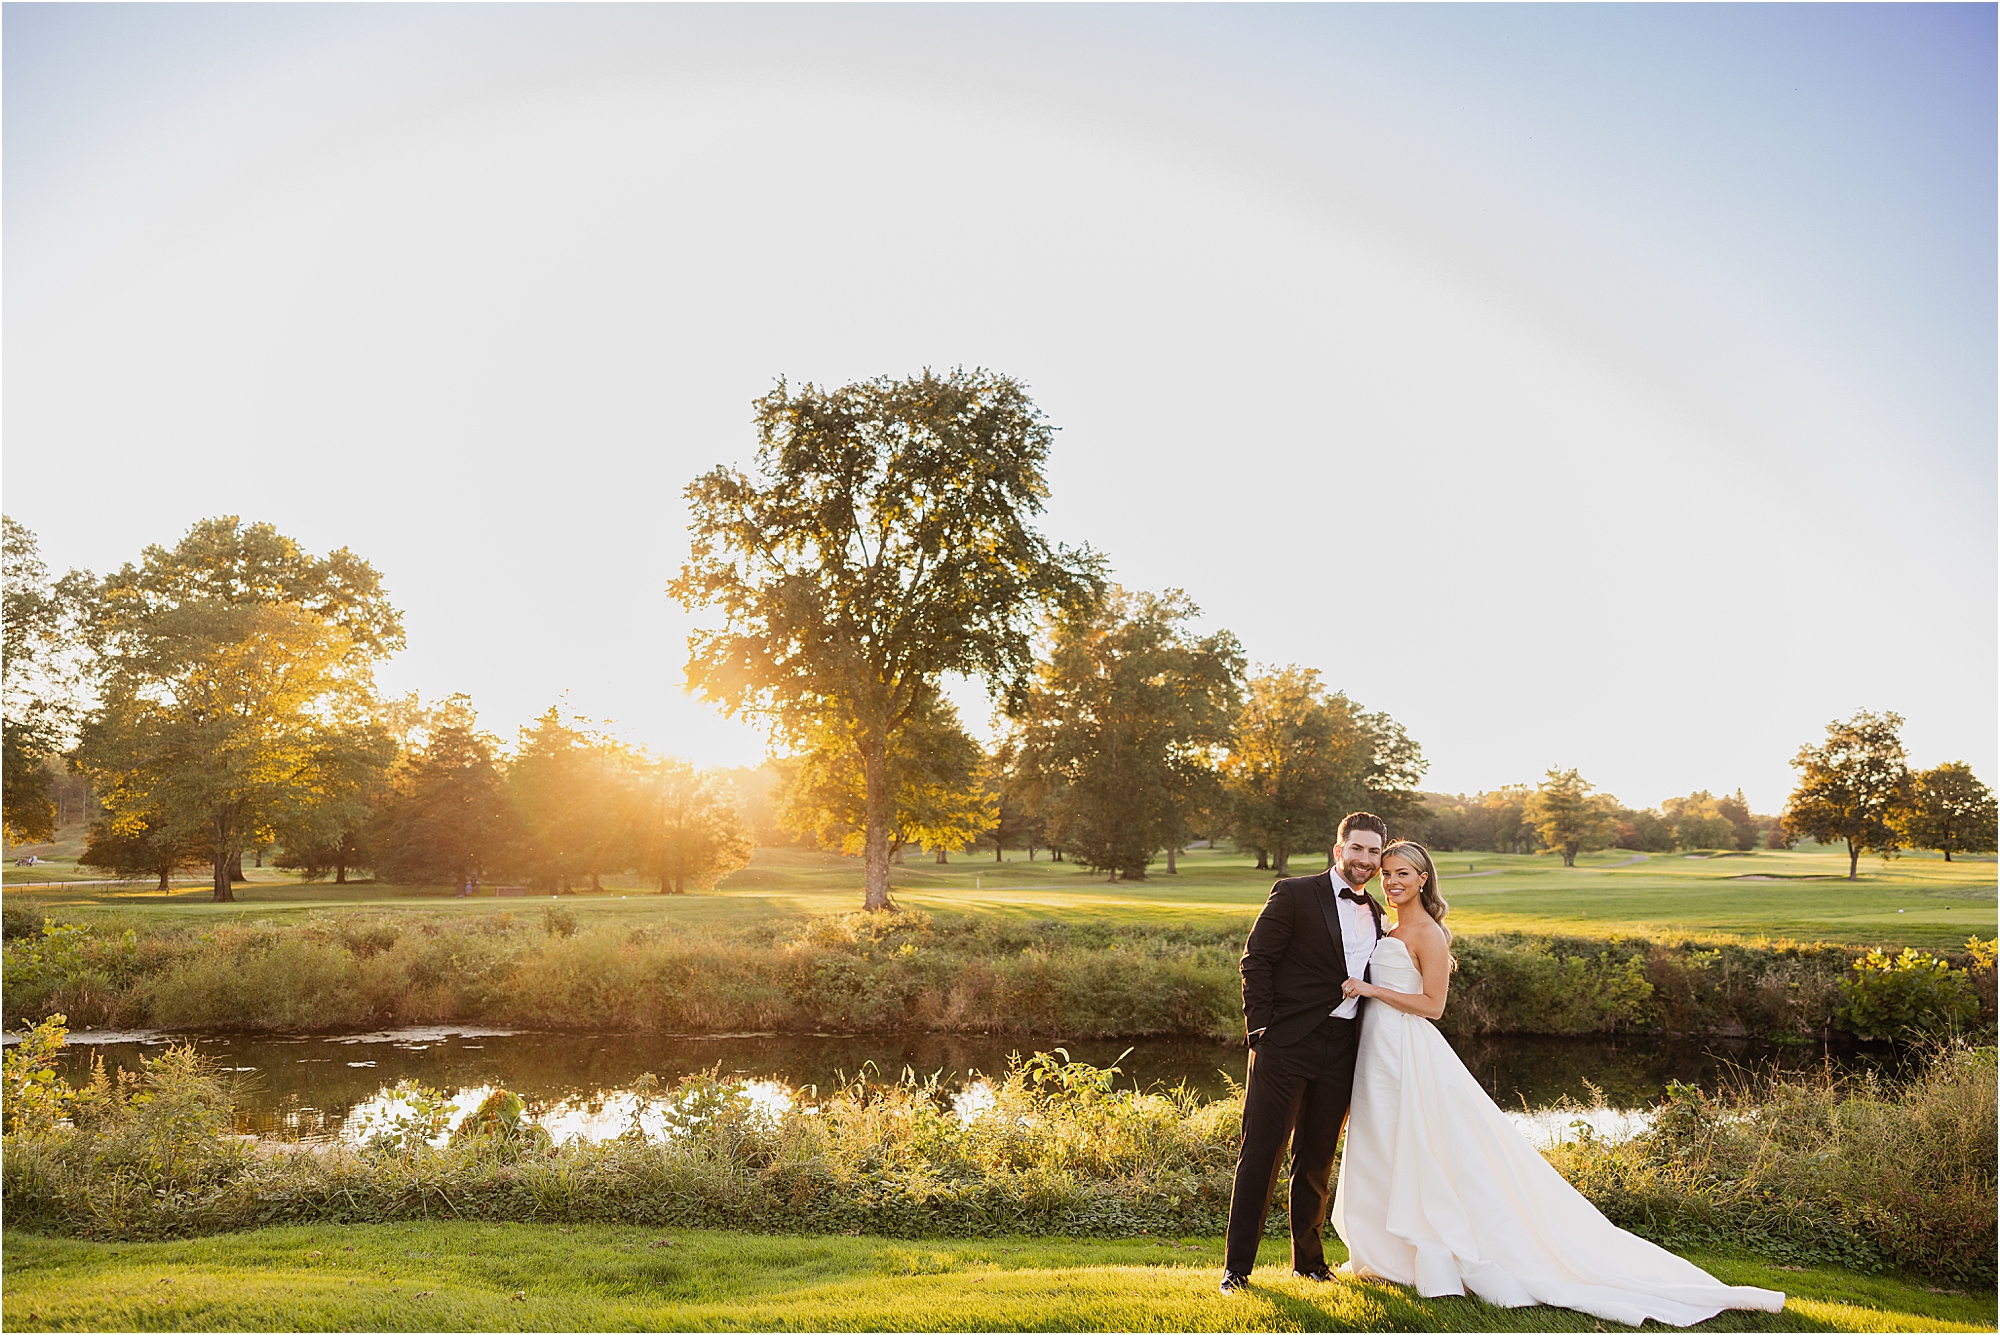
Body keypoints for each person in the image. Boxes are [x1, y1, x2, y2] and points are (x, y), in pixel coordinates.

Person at [1331, 840, 1786, 1326]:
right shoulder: (1388, 925)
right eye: (1387, 874)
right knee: (1381, 1147)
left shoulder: (1429, 934)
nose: (1393, 881)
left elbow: (1433, 1007)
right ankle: (1384, 1254)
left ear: (1423, 879)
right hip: (1376, 1052)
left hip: (1407, 1052)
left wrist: (1369, 988)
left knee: (1422, 1149)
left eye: (1403, 873)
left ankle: (1436, 1250)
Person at [1218, 812, 1387, 1295]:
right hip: (1286, 1045)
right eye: (1358, 849)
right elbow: (1256, 961)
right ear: (1339, 850)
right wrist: (1261, 1030)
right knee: (1261, 1153)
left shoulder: (1376, 912)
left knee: (1315, 1159)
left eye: (1374, 852)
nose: (1366, 860)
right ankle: (1237, 1270)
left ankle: (1309, 1263)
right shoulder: (1294, 893)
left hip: (1343, 1048)